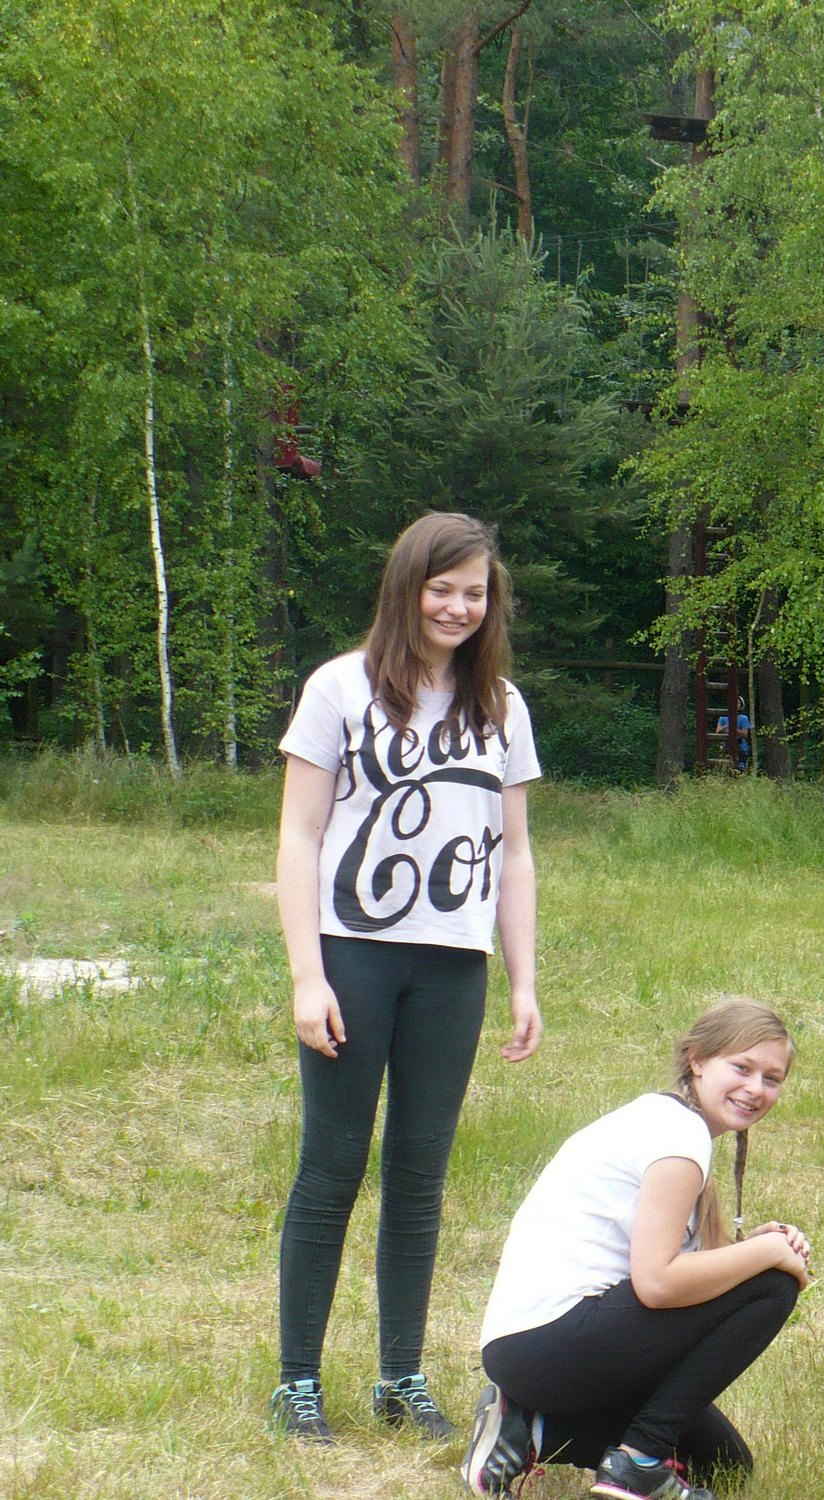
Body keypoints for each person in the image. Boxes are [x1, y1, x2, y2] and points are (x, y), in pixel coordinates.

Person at [270, 512, 542, 1443]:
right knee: (333, 1165)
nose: (459, 608)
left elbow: (514, 851)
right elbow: (300, 835)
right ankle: (297, 1383)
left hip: (453, 966)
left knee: (419, 1175)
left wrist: (522, 981)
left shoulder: (501, 706)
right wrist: (308, 978)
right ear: (407, 587)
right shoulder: (339, 688)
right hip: (352, 954)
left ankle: (401, 1377)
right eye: (443, 589)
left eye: (476, 593)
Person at [463, 998, 807, 1500]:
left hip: (533, 1353)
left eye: (772, 1078)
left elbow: (684, 1277)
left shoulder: (668, 1122)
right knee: (772, 1284)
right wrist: (767, 1256)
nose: (756, 1088)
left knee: (722, 1465)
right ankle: (640, 1461)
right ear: (697, 1060)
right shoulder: (678, 1136)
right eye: (742, 1067)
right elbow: (658, 1284)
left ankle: (528, 1430)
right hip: (550, 1344)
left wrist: (749, 1247)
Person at [712, 696, 751, 772]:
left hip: (739, 744)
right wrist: (725, 727)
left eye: (737, 703)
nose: (735, 704)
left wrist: (734, 730)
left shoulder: (743, 718)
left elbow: (745, 734)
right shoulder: (723, 717)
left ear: (741, 705)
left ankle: (741, 767)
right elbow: (717, 731)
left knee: (741, 761)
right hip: (726, 743)